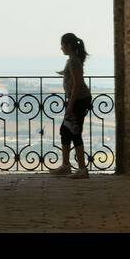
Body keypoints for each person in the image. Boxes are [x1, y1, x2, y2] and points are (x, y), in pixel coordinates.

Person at [49, 32, 92, 178]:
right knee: (66, 131)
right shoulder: (73, 60)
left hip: (78, 100)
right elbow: (74, 75)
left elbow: (77, 84)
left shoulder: (73, 61)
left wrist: (70, 105)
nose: (61, 48)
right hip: (78, 100)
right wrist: (65, 73)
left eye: (62, 45)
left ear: (68, 45)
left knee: (74, 132)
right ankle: (66, 166)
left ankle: (81, 169)